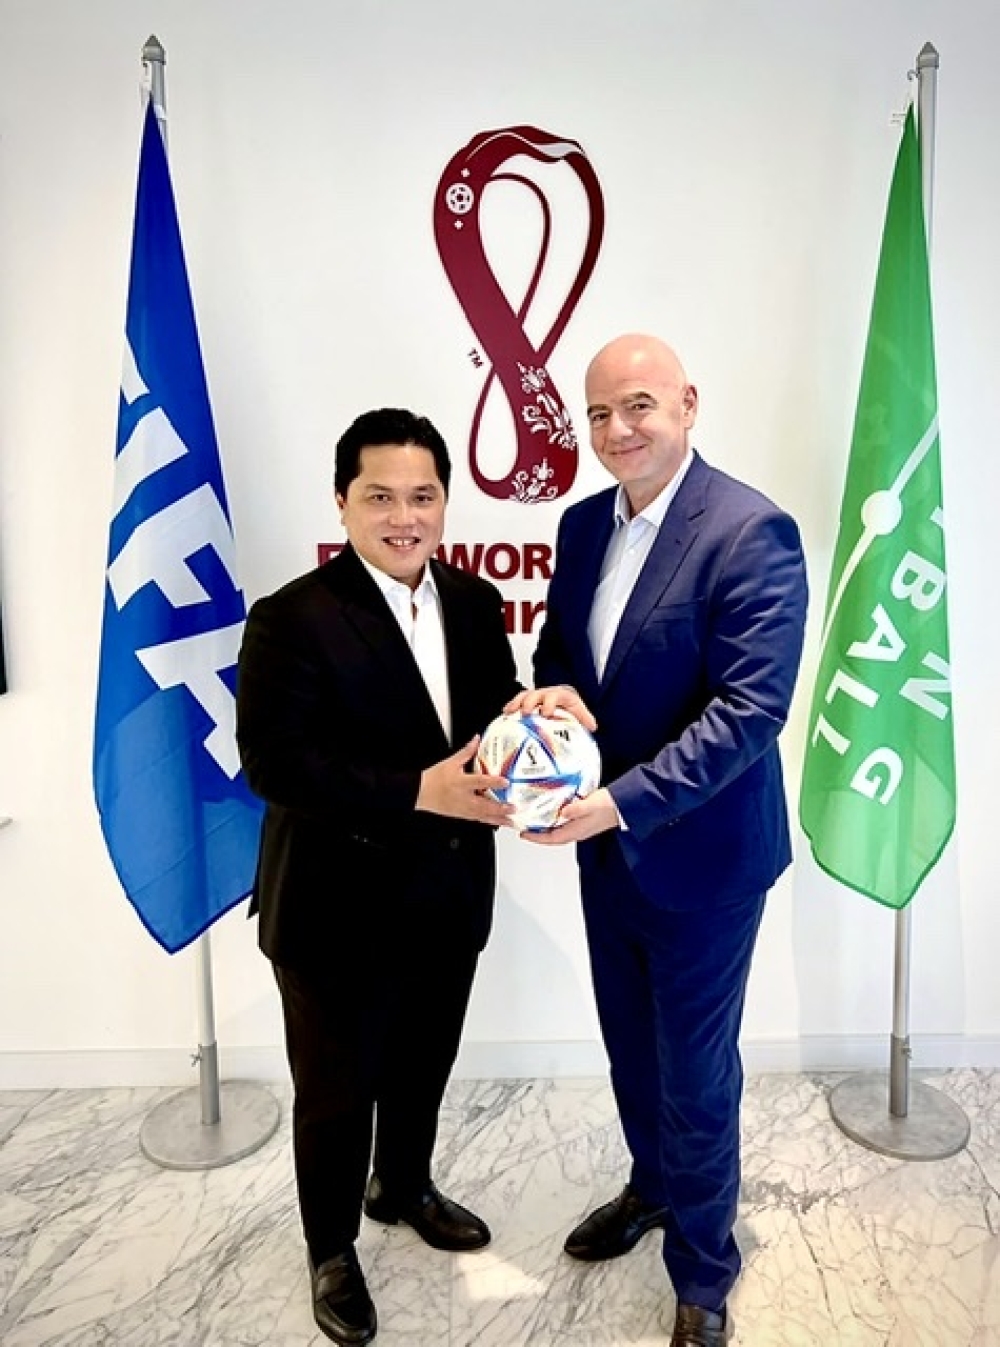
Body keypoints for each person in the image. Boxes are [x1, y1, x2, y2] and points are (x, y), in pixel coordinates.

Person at [511, 333, 808, 1347]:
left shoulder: (749, 530)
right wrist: (552, 701)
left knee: (695, 1071)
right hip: (606, 850)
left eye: (637, 405)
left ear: (687, 404)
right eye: (597, 413)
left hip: (704, 862)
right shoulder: (580, 525)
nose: (616, 429)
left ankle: (703, 1274)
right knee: (631, 1048)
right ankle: (651, 1186)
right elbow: (562, 652)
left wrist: (619, 802)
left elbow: (748, 713)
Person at [236, 407, 539, 1346]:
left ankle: (402, 1185)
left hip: (448, 894)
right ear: (343, 501)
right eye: (380, 497)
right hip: (333, 907)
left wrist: (537, 726)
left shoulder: (476, 602)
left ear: (445, 500)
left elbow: (491, 718)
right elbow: (274, 762)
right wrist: (417, 790)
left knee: (422, 1064)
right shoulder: (291, 617)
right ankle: (331, 1248)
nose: (404, 517)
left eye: (422, 496)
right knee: (335, 1093)